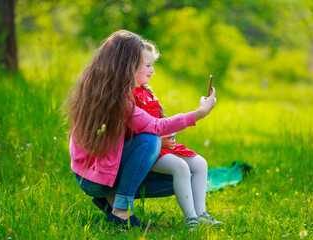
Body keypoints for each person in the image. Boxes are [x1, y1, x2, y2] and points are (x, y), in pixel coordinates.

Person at [64, 30, 217, 229]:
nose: (150, 70)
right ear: (126, 66)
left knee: (183, 176)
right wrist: (199, 113)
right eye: (144, 65)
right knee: (151, 141)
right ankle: (120, 211)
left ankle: (111, 201)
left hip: (102, 172)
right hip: (96, 177)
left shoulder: (110, 88)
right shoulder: (116, 98)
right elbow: (153, 128)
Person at [132, 41, 223, 229]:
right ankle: (191, 220)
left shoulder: (146, 92)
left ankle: (201, 213)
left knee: (200, 163)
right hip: (145, 150)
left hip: (161, 145)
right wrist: (159, 140)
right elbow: (133, 132)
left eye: (153, 65)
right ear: (131, 66)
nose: (152, 70)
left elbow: (158, 122)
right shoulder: (129, 96)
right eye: (148, 65)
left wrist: (168, 134)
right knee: (180, 167)